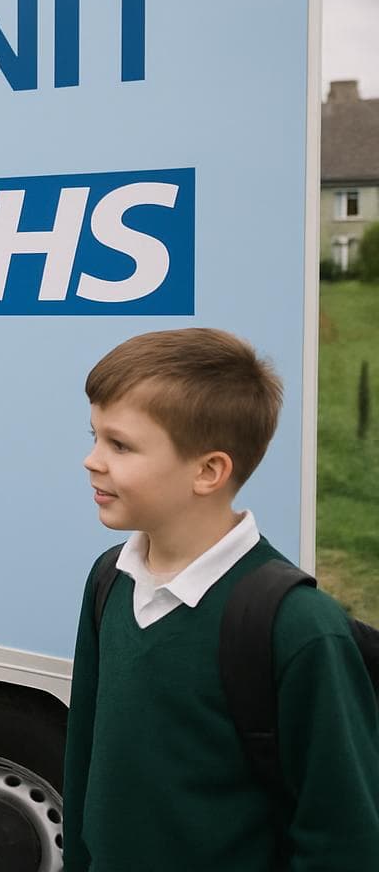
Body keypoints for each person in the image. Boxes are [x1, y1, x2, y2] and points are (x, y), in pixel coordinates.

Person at [64, 328, 379, 870]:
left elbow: (343, 838)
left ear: (209, 471)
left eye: (120, 445)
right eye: (94, 436)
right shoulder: (109, 579)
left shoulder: (298, 626)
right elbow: (84, 764)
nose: (91, 461)